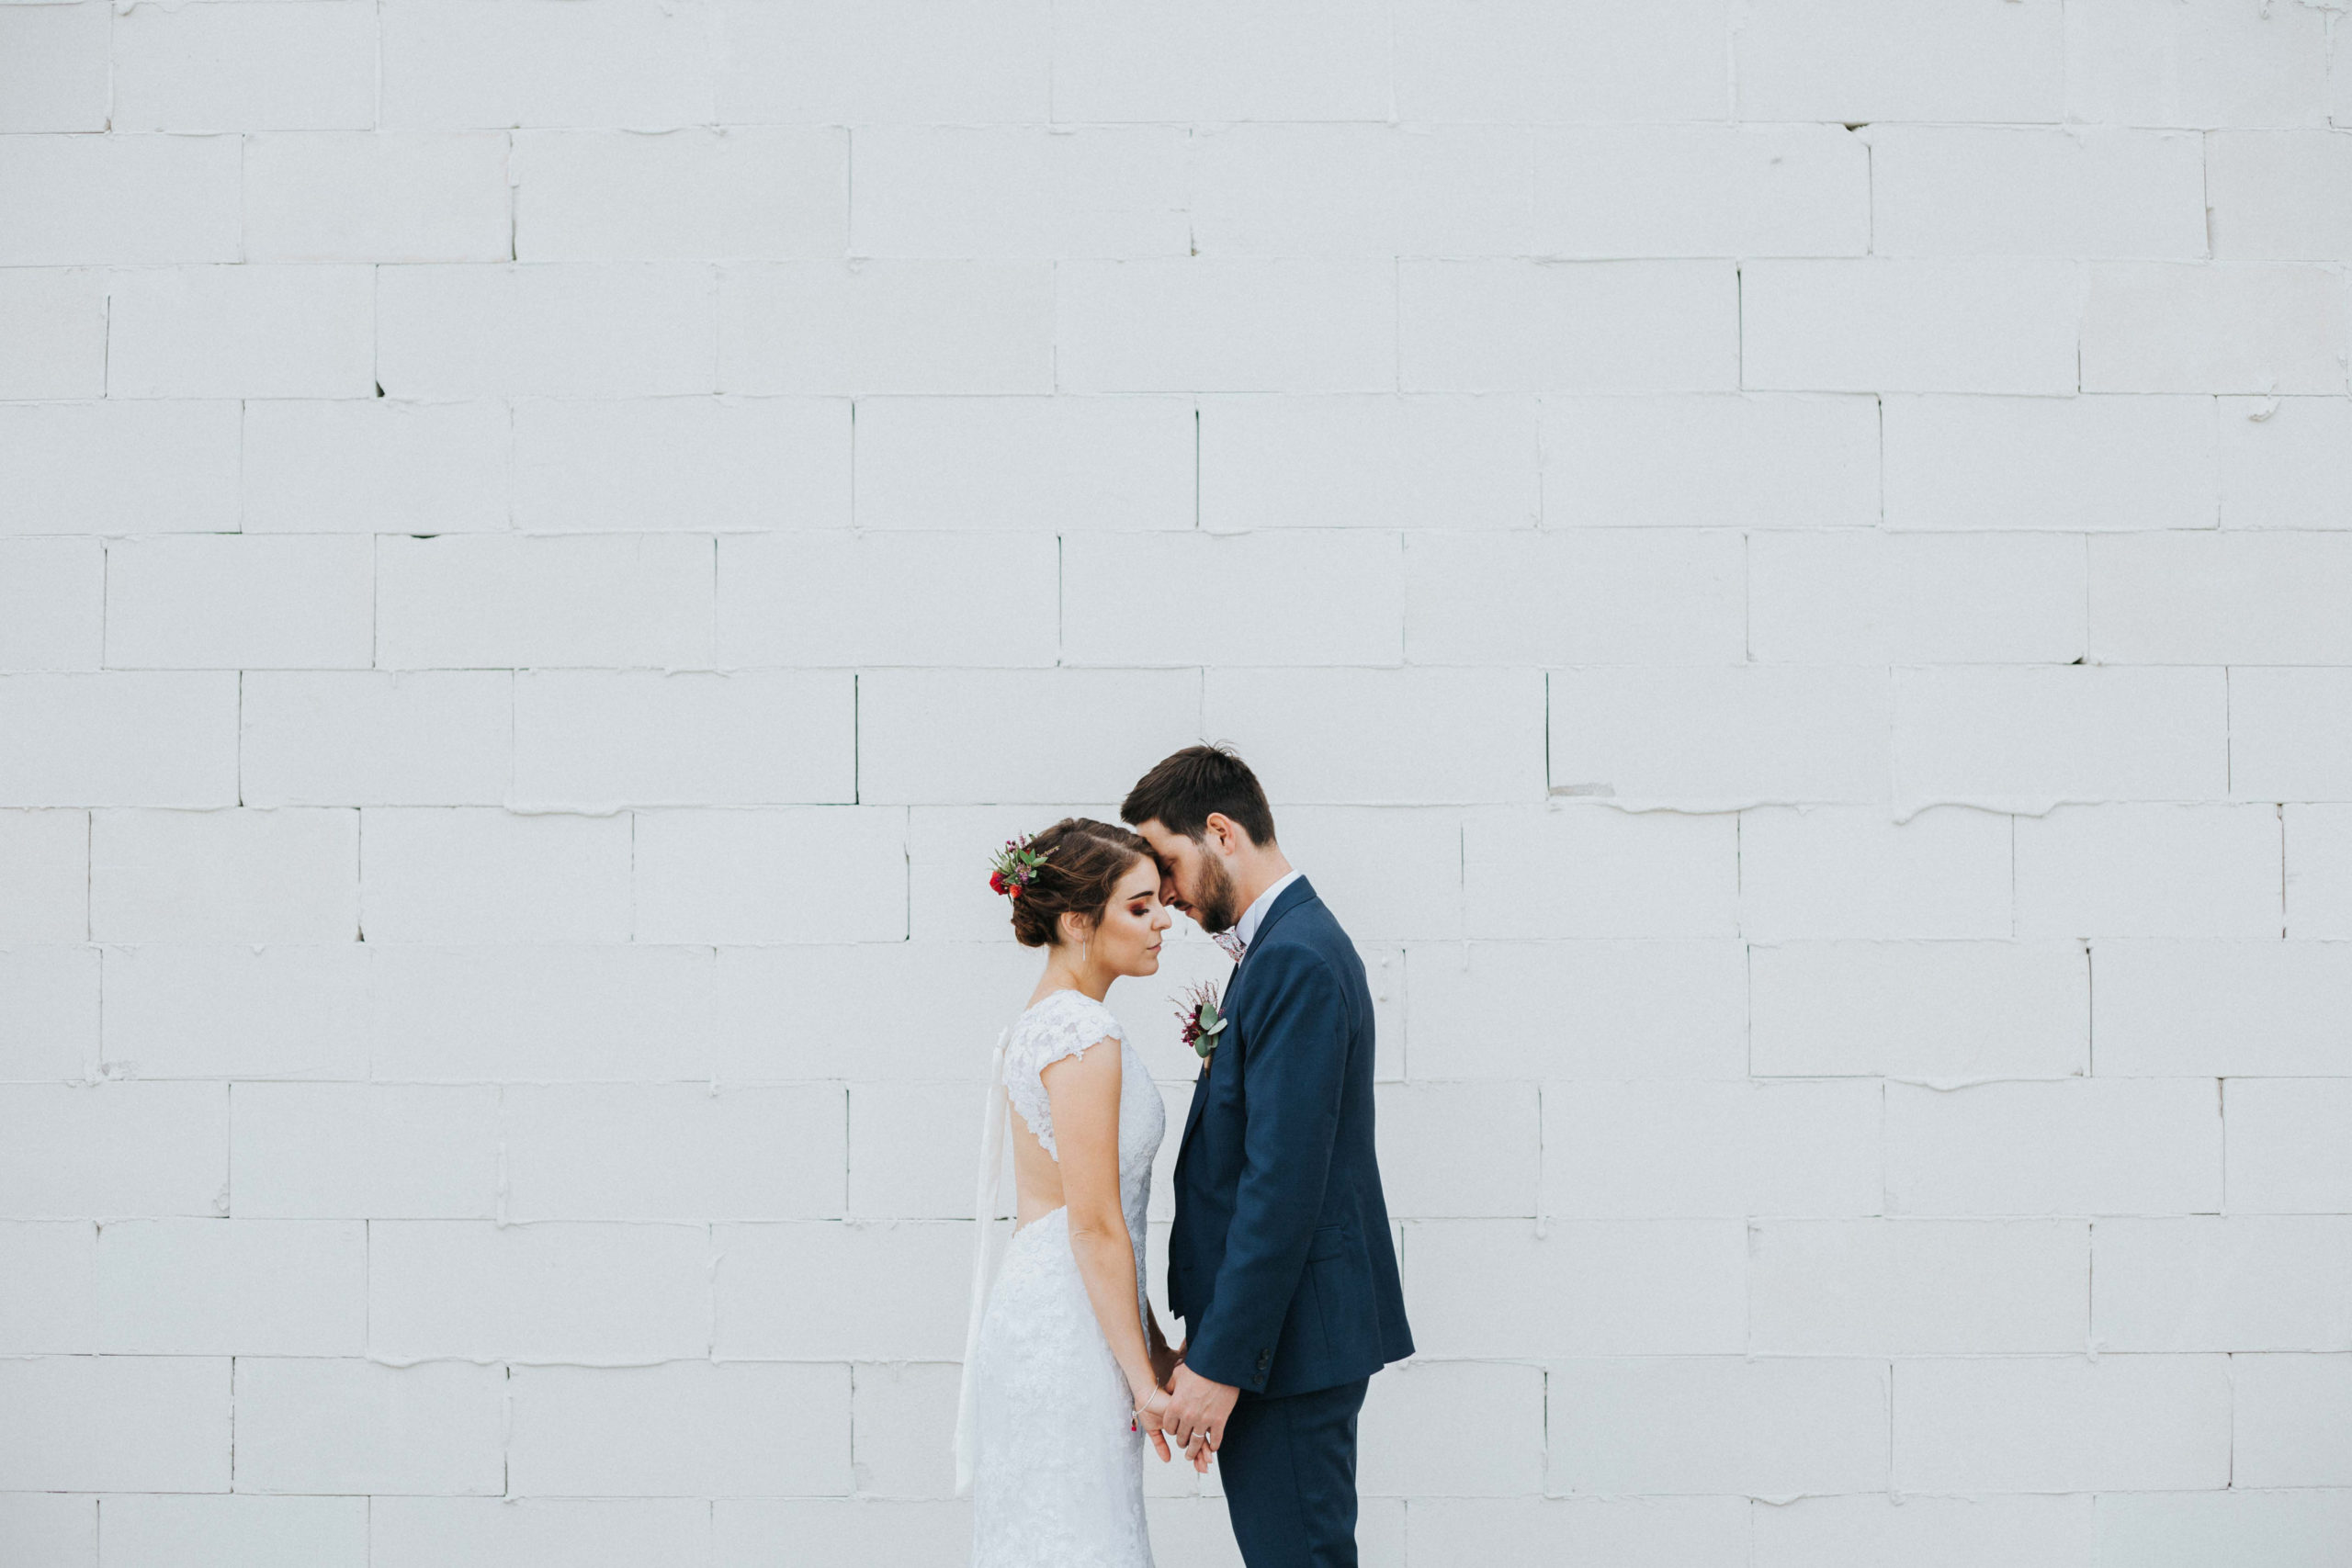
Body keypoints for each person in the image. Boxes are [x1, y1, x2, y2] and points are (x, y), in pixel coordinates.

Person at [1121, 745, 1415, 1568]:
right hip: (1279, 1343)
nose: (1168, 897)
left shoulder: (1295, 956)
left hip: (1286, 1349)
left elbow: (1282, 1182)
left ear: (1221, 831)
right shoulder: (1284, 946)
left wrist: (1222, 1362)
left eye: (1169, 865)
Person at [956, 816, 1193, 1567]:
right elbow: (1093, 1224)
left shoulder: (1052, 1019)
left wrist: (1154, 1351)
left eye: (1159, 902)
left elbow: (1105, 1218)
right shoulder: (1081, 1033)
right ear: (1076, 920)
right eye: (1139, 906)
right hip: (1070, 1320)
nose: (1162, 922)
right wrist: (1144, 1384)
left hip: (1067, 1306)